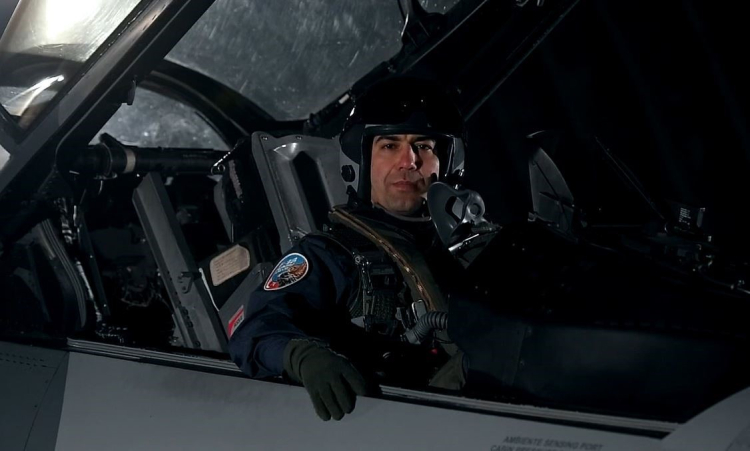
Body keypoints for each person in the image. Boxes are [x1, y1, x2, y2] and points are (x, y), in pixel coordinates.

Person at [228, 77, 476, 421]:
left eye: (423, 146)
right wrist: (303, 356)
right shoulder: (330, 255)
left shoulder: (474, 251)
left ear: (449, 162)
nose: (408, 161)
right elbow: (256, 330)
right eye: (389, 146)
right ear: (360, 159)